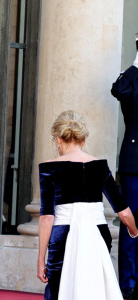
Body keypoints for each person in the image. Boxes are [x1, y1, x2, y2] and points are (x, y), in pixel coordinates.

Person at [37, 110, 138, 300]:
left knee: (59, 292)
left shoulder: (49, 167)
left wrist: (40, 259)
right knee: (93, 288)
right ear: (83, 140)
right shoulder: (99, 166)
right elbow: (124, 212)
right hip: (97, 232)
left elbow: (46, 217)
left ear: (58, 139)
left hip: (62, 236)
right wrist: (134, 232)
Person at [111, 47, 138, 299]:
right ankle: (129, 283)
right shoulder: (132, 79)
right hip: (135, 164)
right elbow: (118, 90)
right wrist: (136, 64)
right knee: (132, 223)